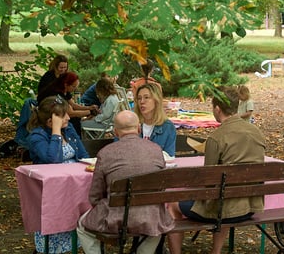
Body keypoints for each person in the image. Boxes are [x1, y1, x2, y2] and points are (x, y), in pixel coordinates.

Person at [167, 86, 266, 254]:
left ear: (218, 109)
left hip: (224, 210)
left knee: (173, 206)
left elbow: (208, 181)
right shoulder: (256, 132)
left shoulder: (217, 137)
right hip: (251, 206)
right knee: (224, 196)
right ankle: (216, 251)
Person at [76, 110, 173, 254]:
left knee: (82, 226)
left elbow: (95, 196)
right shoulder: (156, 150)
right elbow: (160, 189)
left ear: (115, 132)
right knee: (156, 225)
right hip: (151, 216)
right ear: (138, 128)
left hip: (116, 217)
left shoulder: (106, 153)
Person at [26, 96, 90, 254]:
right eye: (64, 115)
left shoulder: (69, 129)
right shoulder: (37, 137)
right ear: (50, 121)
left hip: (74, 185)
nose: (68, 117)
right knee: (55, 226)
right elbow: (53, 161)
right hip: (52, 190)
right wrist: (56, 132)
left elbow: (83, 155)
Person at [37, 71, 97, 136]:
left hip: (58, 114)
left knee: (76, 119)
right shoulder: (56, 93)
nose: (75, 89)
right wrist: (90, 112)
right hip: (49, 117)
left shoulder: (65, 91)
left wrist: (89, 107)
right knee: (74, 120)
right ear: (66, 85)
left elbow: (73, 105)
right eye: (73, 86)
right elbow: (70, 113)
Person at [134, 82, 176, 156]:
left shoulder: (168, 127)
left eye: (146, 97)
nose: (142, 101)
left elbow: (169, 156)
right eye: (139, 98)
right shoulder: (130, 123)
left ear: (156, 100)